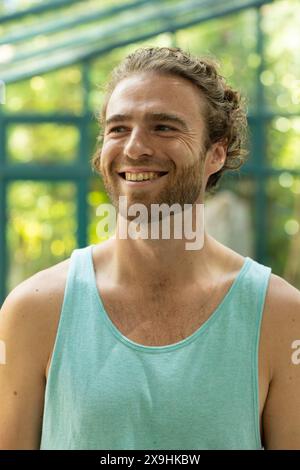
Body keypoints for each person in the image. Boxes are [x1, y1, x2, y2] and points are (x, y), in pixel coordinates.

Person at [0, 46, 300, 450]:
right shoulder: (33, 311)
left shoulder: (280, 316)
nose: (135, 147)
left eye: (164, 127)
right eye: (118, 128)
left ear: (216, 153)